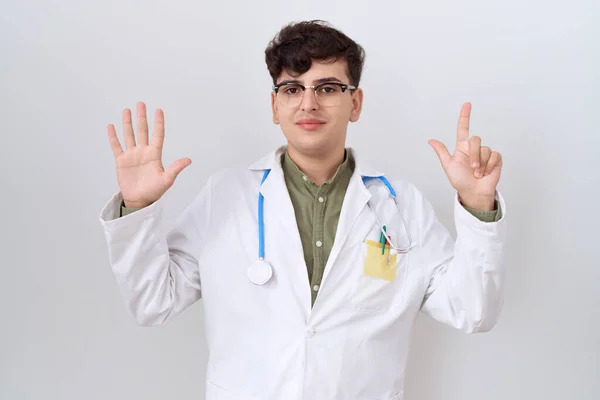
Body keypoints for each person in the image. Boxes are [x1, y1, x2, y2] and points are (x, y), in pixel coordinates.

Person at [99, 20, 507, 400]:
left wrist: (477, 206)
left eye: (328, 88)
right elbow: (153, 302)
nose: (308, 103)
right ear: (275, 106)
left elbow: (472, 309)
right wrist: (137, 205)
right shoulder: (224, 196)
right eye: (292, 89)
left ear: (356, 103)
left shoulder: (401, 205)